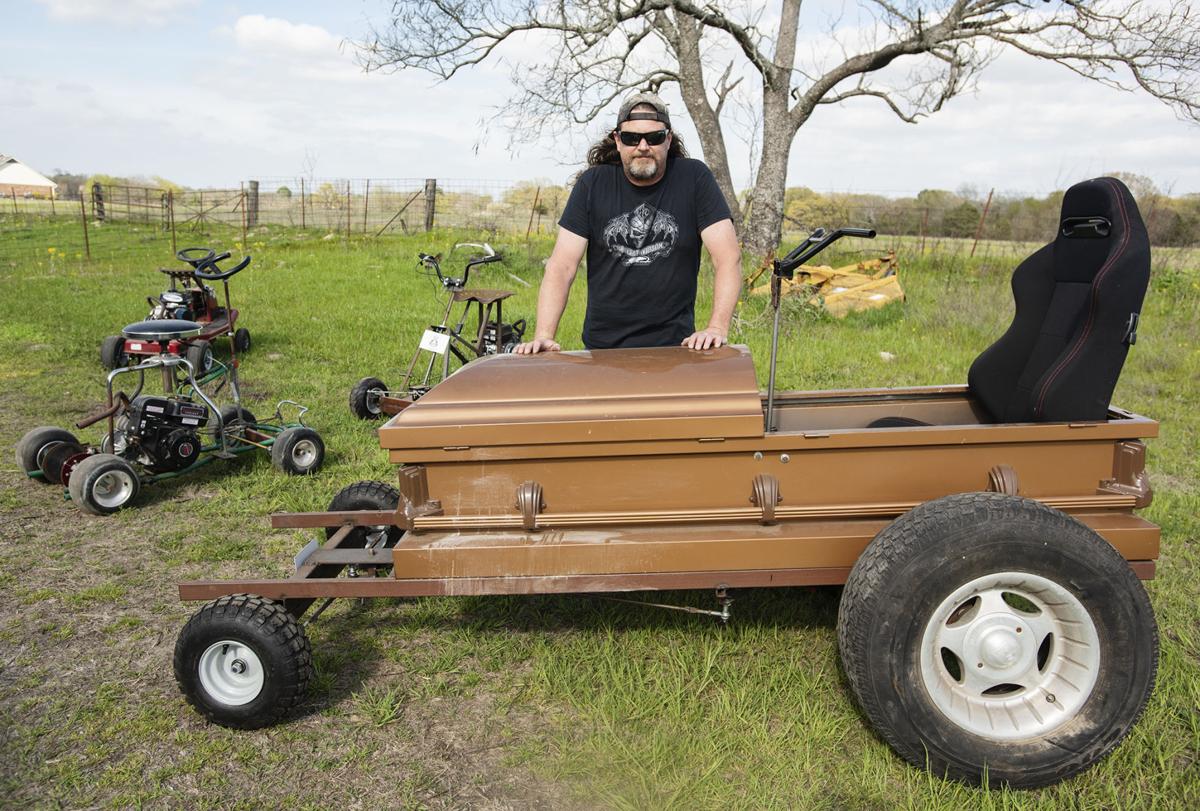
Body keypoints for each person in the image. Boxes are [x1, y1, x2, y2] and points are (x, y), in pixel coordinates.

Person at [514, 92, 742, 353]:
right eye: (632, 138)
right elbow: (562, 266)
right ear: (618, 140)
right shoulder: (593, 184)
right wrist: (544, 334)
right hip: (603, 349)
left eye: (654, 137)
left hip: (676, 348)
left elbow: (727, 257)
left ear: (668, 139)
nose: (642, 146)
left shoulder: (694, 179)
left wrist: (716, 327)